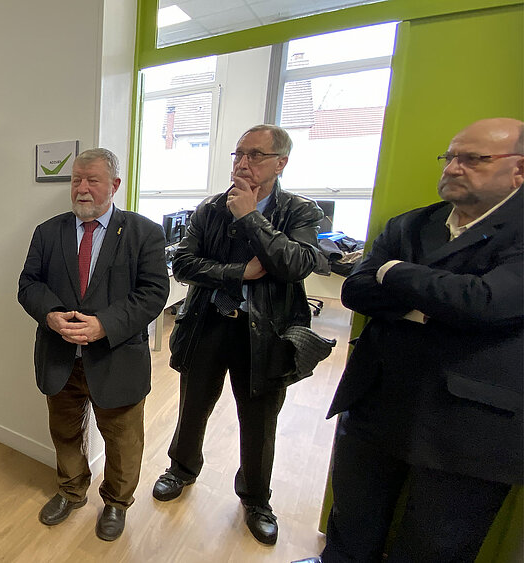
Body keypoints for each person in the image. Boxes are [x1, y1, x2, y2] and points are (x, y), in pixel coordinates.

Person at [312, 118, 523, 563]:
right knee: (351, 525)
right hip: (376, 399)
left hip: (469, 423)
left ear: (518, 170)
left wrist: (395, 273)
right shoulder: (411, 224)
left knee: (436, 544)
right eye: (451, 157)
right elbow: (356, 291)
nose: (454, 167)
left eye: (474, 159)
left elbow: (484, 303)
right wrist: (438, 300)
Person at [153, 124, 324, 546]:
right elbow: (185, 265)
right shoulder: (210, 208)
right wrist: (236, 273)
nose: (243, 163)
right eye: (238, 154)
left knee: (260, 418)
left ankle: (255, 498)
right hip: (208, 324)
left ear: (280, 163)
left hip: (265, 333)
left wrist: (250, 217)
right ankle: (182, 468)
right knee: (193, 405)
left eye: (256, 155)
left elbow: (296, 265)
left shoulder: (299, 211)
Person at [18, 148, 168, 541]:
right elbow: (28, 284)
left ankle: (116, 504)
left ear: (114, 186)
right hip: (60, 357)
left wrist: (105, 324)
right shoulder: (47, 232)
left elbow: (154, 294)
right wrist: (50, 314)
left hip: (117, 358)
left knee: (122, 441)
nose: (82, 189)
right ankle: (71, 490)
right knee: (65, 432)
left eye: (92, 180)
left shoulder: (144, 233)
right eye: (76, 180)